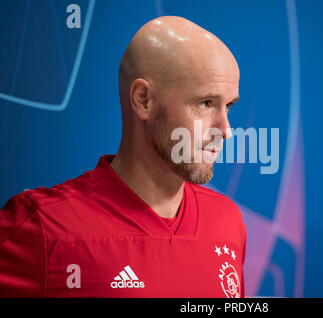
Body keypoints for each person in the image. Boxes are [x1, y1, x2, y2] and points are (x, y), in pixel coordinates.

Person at [0, 15, 246, 298]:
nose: (225, 131)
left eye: (228, 106)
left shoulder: (228, 222)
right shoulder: (41, 228)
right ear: (143, 99)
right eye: (205, 103)